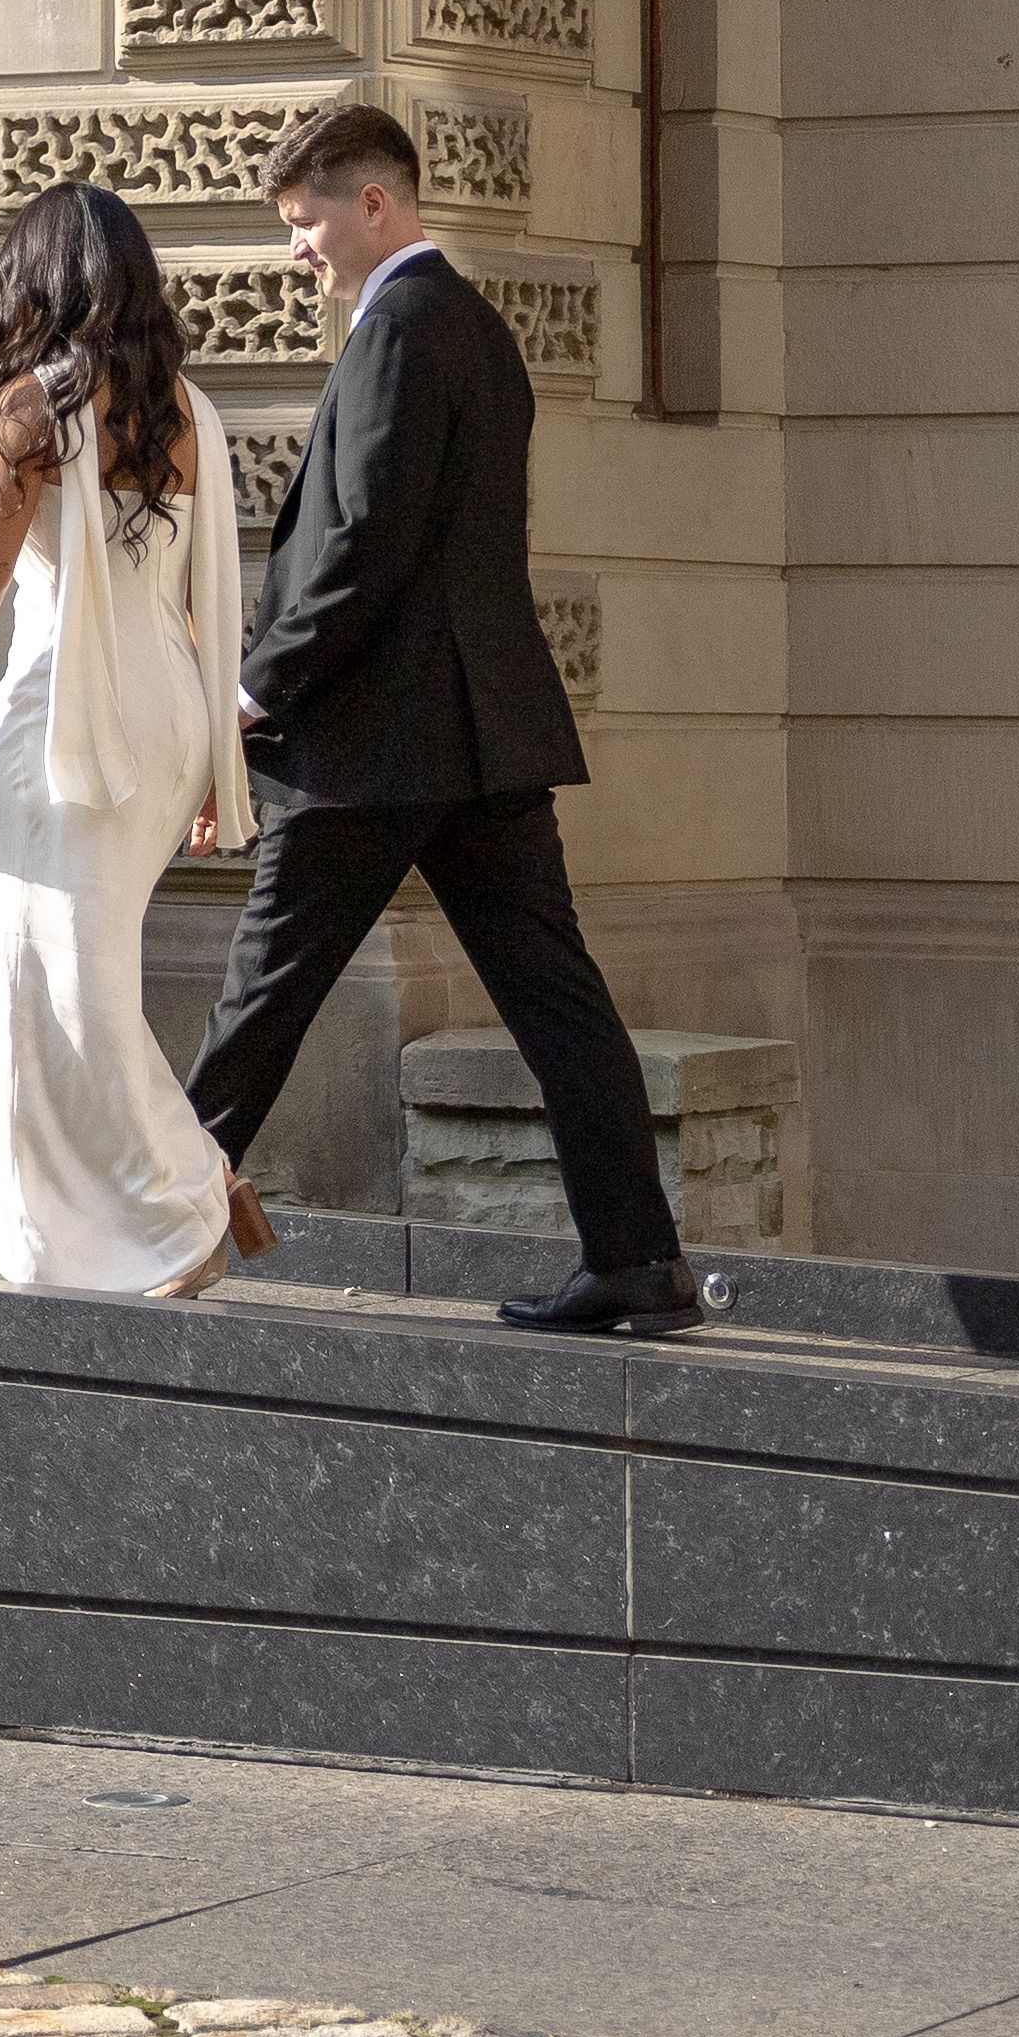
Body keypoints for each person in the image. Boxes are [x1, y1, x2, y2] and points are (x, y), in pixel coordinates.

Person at [189, 95, 702, 1339]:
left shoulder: (402, 329)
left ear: (375, 203)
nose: (294, 250)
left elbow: (361, 545)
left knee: (264, 993)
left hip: (376, 749)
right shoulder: (472, 325)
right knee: (556, 1001)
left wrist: (255, 692)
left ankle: (142, 1219)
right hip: (477, 742)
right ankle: (638, 1261)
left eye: (304, 223)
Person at [0, 180, 274, 1300]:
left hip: (62, 715)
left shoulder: (30, 410)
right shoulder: (187, 407)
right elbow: (200, 602)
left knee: (47, 984)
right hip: (169, 713)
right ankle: (104, 1233)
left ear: (32, 283)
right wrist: (207, 763)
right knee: (82, 976)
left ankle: (178, 1199)